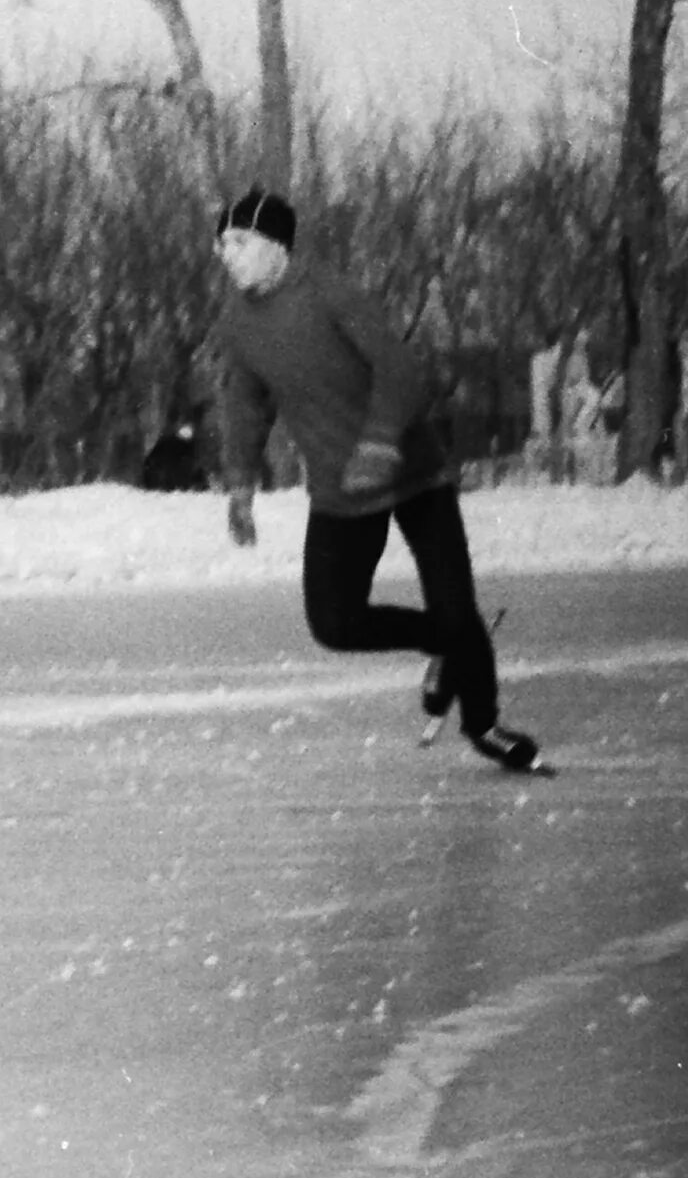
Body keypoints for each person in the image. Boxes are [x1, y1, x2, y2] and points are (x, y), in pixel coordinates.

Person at [209, 187, 545, 774]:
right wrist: (240, 485)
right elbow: (244, 401)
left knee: (456, 605)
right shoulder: (239, 321)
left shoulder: (331, 294)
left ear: (275, 246)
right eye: (222, 245)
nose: (227, 255)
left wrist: (380, 442)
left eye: (240, 242)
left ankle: (484, 723)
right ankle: (445, 643)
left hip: (415, 474)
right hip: (342, 492)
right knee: (335, 624)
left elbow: (398, 368)